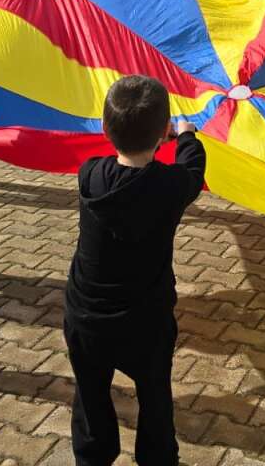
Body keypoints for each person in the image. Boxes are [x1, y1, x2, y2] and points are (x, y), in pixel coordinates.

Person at [64, 75, 206, 466]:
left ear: (106, 129)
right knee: (155, 395)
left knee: (91, 395)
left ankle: (92, 458)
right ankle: (158, 458)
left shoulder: (89, 173)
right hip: (144, 322)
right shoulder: (171, 185)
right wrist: (187, 135)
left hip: (86, 317)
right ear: (163, 132)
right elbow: (194, 167)